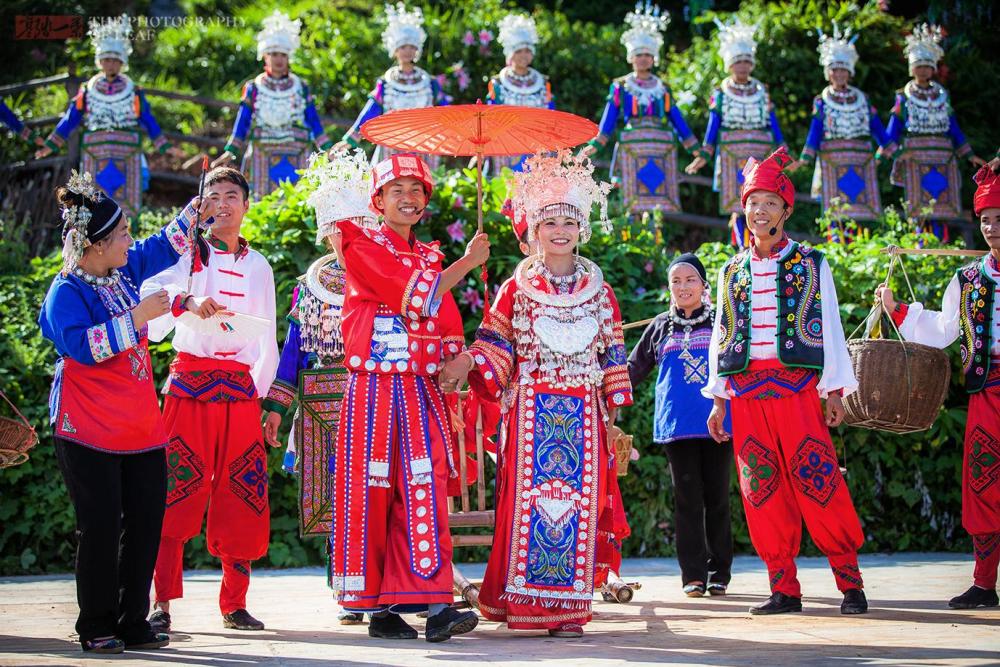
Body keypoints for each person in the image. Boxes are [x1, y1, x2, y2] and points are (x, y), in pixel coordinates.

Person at [440, 151, 632, 638]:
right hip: (532, 412)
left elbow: (612, 352)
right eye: (550, 222)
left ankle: (568, 611)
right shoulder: (516, 287)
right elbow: (495, 344)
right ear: (534, 229)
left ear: (582, 227)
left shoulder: (598, 289)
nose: (560, 230)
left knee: (576, 504)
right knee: (534, 505)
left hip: (583, 414)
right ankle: (530, 606)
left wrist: (614, 412)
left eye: (569, 220)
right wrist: (467, 361)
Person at [39, 169, 203, 653]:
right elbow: (84, 348)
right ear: (95, 245)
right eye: (123, 235)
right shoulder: (67, 291)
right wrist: (139, 316)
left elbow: (158, 247)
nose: (131, 242)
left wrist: (198, 211)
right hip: (85, 426)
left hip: (138, 425)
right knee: (102, 526)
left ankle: (134, 619)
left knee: (146, 521)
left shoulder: (120, 272)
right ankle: (96, 624)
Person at [703, 147, 868, 616]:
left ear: (786, 209)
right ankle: (784, 588)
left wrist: (834, 390)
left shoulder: (812, 263)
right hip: (747, 395)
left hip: (797, 392)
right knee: (760, 490)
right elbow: (723, 334)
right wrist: (718, 400)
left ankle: (850, 583)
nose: (760, 211)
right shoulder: (730, 269)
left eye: (770, 202)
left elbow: (830, 324)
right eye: (753, 202)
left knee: (820, 483)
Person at [331, 153, 486, 642]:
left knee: (424, 485)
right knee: (375, 493)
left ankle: (434, 604)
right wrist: (468, 263)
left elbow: (443, 323)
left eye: (417, 190)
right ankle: (382, 608)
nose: (408, 198)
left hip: (418, 387)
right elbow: (414, 297)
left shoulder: (428, 255)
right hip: (375, 387)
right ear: (377, 201)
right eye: (396, 189)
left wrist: (454, 362)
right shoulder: (358, 242)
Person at [142, 167, 279, 632]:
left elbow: (268, 335)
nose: (222, 204)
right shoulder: (187, 253)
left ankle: (234, 603)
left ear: (246, 204)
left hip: (241, 392)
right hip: (190, 384)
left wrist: (262, 398)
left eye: (231, 196)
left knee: (244, 491)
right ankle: (162, 603)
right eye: (214, 196)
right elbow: (151, 292)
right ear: (201, 205)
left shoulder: (260, 265)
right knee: (176, 489)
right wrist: (185, 302)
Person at [875, 165, 1000, 610]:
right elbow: (944, 329)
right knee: (983, 485)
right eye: (986, 219)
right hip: (987, 393)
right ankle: (984, 584)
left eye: (999, 219)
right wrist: (897, 308)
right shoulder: (967, 280)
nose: (991, 228)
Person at [261, 149, 377, 625]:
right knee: (333, 496)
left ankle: (376, 583)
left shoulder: (381, 275)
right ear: (325, 230)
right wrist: (276, 405)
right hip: (323, 397)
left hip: (371, 390)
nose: (344, 233)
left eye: (354, 222)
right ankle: (345, 588)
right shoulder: (311, 284)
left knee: (372, 489)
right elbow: (294, 350)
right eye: (336, 225)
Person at [627, 253, 733, 597]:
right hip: (677, 425)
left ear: (704, 285)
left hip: (718, 423)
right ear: (668, 287)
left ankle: (719, 573)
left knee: (717, 497)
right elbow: (633, 369)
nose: (683, 287)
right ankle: (694, 575)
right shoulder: (660, 325)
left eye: (690, 280)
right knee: (687, 500)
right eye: (676, 281)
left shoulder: (721, 321)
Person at [37, 15, 173, 220]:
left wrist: (164, 146)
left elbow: (148, 119)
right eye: (107, 60)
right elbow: (71, 118)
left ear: (122, 63)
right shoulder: (88, 91)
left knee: (125, 203)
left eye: (115, 60)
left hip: (126, 155)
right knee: (96, 202)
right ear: (100, 62)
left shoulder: (133, 91)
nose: (110, 65)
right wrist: (51, 144)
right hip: (95, 156)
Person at [580, 4, 699, 215]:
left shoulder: (662, 88)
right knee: (632, 202)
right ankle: (636, 241)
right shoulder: (622, 87)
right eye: (639, 54)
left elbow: (678, 122)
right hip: (631, 146)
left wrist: (697, 151)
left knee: (659, 204)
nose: (643, 58)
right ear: (631, 57)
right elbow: (608, 122)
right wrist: (594, 145)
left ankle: (656, 240)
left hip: (660, 148)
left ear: (654, 58)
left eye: (647, 54)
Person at [877, 24, 985, 239]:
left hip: (942, 159)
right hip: (914, 160)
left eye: (927, 65)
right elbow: (893, 130)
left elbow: (953, 127)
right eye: (919, 65)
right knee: (919, 209)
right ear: (911, 67)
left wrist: (969, 154)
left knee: (941, 206)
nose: (923, 70)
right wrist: (887, 153)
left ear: (933, 68)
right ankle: (921, 249)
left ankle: (941, 247)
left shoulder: (942, 96)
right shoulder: (904, 97)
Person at [685, 19, 785, 248]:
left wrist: (783, 154)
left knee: (762, 203)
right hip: (732, 158)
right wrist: (703, 155)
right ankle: (743, 248)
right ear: (730, 65)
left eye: (746, 62)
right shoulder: (721, 93)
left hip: (760, 155)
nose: (742, 66)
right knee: (738, 207)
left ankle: (764, 245)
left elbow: (774, 126)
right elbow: (713, 129)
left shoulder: (761, 92)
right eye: (738, 62)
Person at [218, 11, 334, 198]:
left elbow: (313, 120)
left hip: (299, 150)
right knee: (261, 200)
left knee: (299, 200)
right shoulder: (254, 87)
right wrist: (230, 151)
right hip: (262, 151)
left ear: (289, 58)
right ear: (265, 57)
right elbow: (243, 121)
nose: (278, 59)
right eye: (273, 54)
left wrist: (328, 149)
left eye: (283, 55)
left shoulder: (301, 87)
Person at [789, 26, 889, 236]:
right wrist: (804, 159)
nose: (839, 74)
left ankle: (859, 250)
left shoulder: (862, 100)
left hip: (859, 161)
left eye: (843, 70)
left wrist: (887, 152)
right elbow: (815, 133)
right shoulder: (822, 101)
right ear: (828, 73)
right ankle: (837, 249)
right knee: (834, 211)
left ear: (850, 73)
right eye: (835, 69)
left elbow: (878, 130)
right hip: (831, 160)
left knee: (859, 211)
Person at [334, 3, 449, 163]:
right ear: (395, 50)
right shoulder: (386, 83)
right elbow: (371, 112)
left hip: (423, 148)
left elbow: (447, 114)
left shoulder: (429, 84)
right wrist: (350, 140)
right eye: (403, 47)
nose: (407, 51)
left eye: (411, 47)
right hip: (391, 147)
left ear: (417, 50)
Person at [485, 13, 554, 173]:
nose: (524, 55)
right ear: (510, 53)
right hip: (506, 145)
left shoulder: (542, 82)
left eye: (527, 51)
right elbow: (489, 116)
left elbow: (551, 115)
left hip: (537, 144)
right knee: (506, 189)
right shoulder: (498, 83)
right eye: (519, 51)